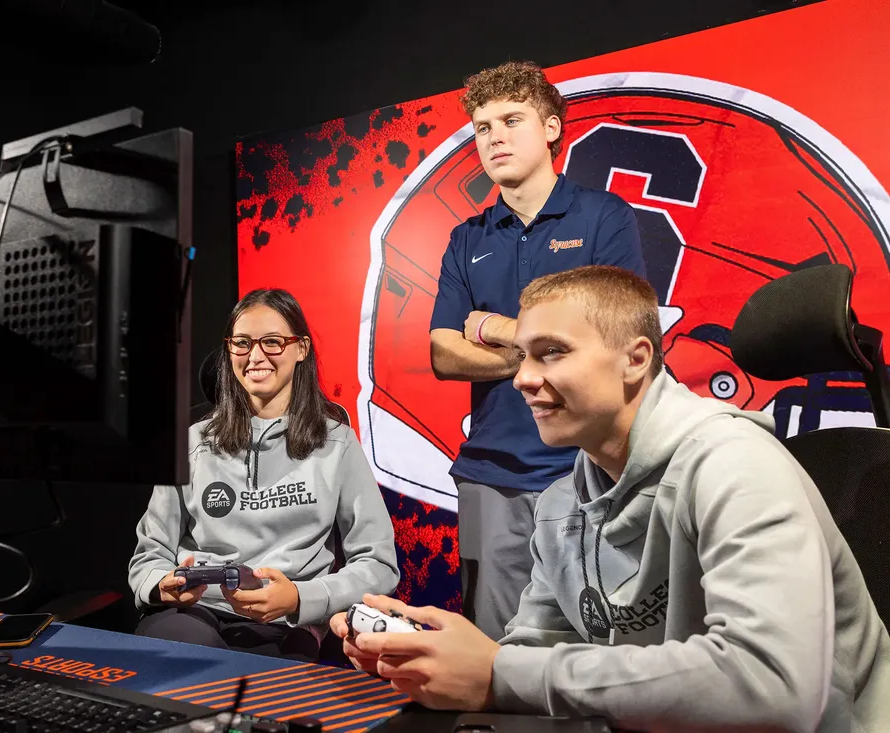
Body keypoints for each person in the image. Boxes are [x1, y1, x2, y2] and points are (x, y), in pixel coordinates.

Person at [335, 265, 890, 730]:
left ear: (636, 358)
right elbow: (533, 657)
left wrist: (501, 673)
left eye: (550, 353)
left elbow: (774, 687)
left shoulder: (735, 463)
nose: (523, 378)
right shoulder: (558, 504)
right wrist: (435, 656)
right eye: (522, 356)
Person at [430, 60, 647, 639]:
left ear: (551, 128)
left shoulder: (604, 218)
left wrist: (496, 329)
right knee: (498, 654)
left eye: (511, 120)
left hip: (590, 469)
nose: (494, 137)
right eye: (482, 127)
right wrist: (544, 349)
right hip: (491, 473)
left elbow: (612, 335)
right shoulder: (466, 238)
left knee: (602, 641)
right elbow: (444, 353)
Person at [129, 288, 400, 663]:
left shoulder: (336, 442)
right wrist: (160, 585)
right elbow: (149, 554)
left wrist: (301, 598)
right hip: (192, 612)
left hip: (285, 621)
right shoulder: (191, 441)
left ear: (301, 348)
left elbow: (378, 564)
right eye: (241, 343)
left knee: (254, 689)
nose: (255, 356)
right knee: (183, 661)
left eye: (272, 342)